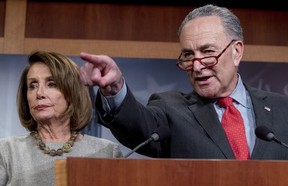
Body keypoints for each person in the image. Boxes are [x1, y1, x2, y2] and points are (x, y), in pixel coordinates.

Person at [79, 4, 288, 160]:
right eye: (188, 55)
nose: (197, 66)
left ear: (236, 52)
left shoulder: (283, 109)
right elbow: (139, 127)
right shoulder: (171, 109)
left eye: (207, 52)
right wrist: (114, 88)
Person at [0, 51, 123, 186]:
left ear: (72, 93)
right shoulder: (6, 150)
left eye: (51, 84)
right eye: (32, 86)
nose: (39, 93)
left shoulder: (107, 152)